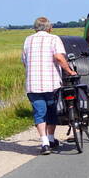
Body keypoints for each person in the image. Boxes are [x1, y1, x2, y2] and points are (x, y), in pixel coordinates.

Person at [22, 17, 77, 155]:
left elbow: (24, 61)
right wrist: (69, 71)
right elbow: (59, 57)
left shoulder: (28, 40)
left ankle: (45, 143)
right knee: (51, 110)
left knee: (39, 112)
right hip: (51, 83)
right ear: (49, 28)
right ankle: (51, 139)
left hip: (33, 83)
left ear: (35, 28)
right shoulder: (54, 39)